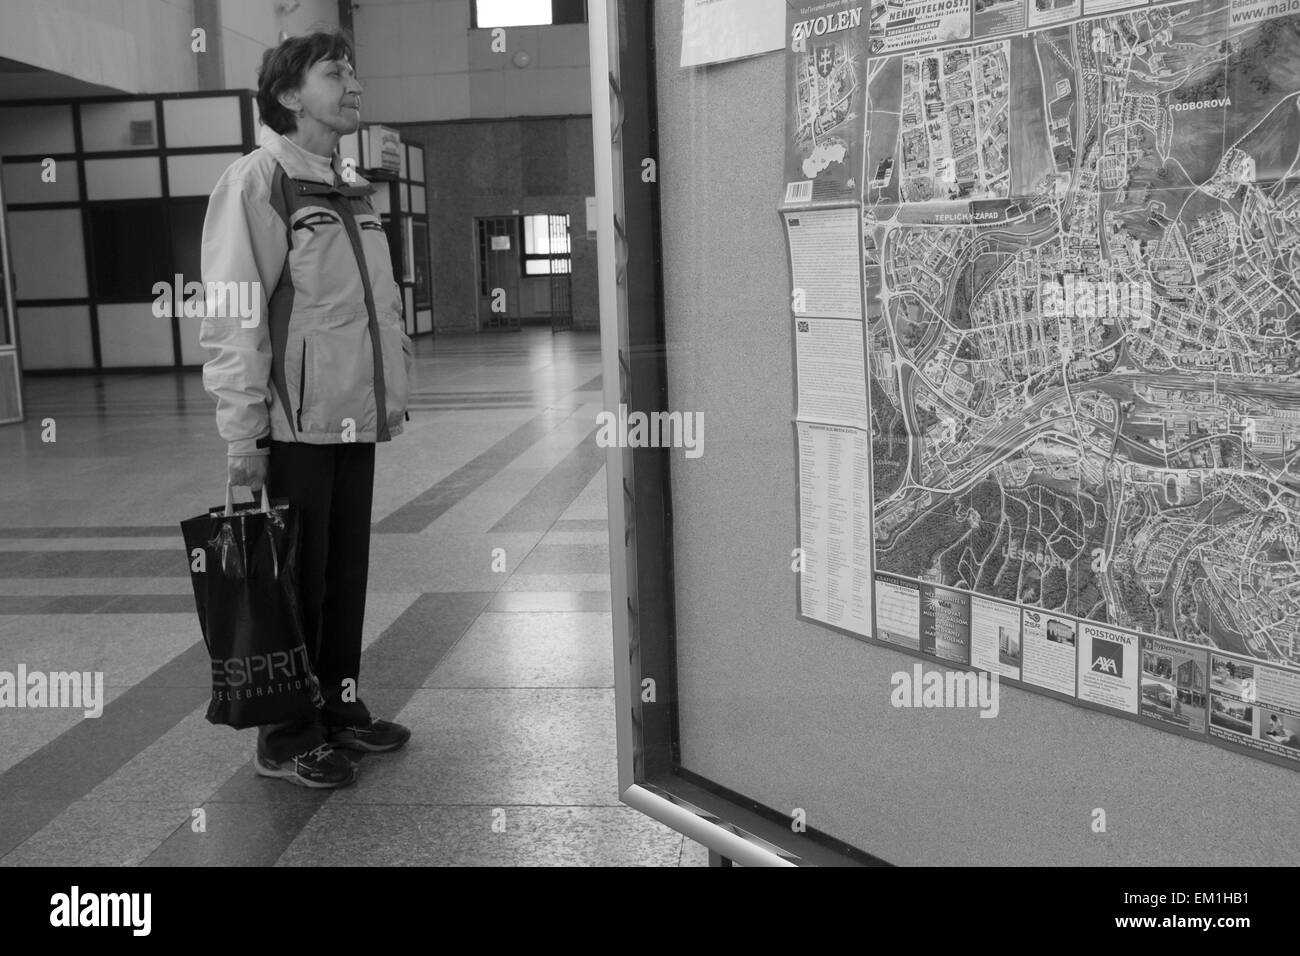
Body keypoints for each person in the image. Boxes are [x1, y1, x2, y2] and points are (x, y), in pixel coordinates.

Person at [199, 28, 413, 788]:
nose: (353, 83)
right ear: (290, 95)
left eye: (354, 70)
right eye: (335, 72)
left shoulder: (347, 184)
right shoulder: (259, 181)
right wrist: (243, 431)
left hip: (353, 418)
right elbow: (233, 313)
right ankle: (286, 737)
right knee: (295, 580)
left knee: (341, 575)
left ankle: (338, 710)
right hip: (293, 425)